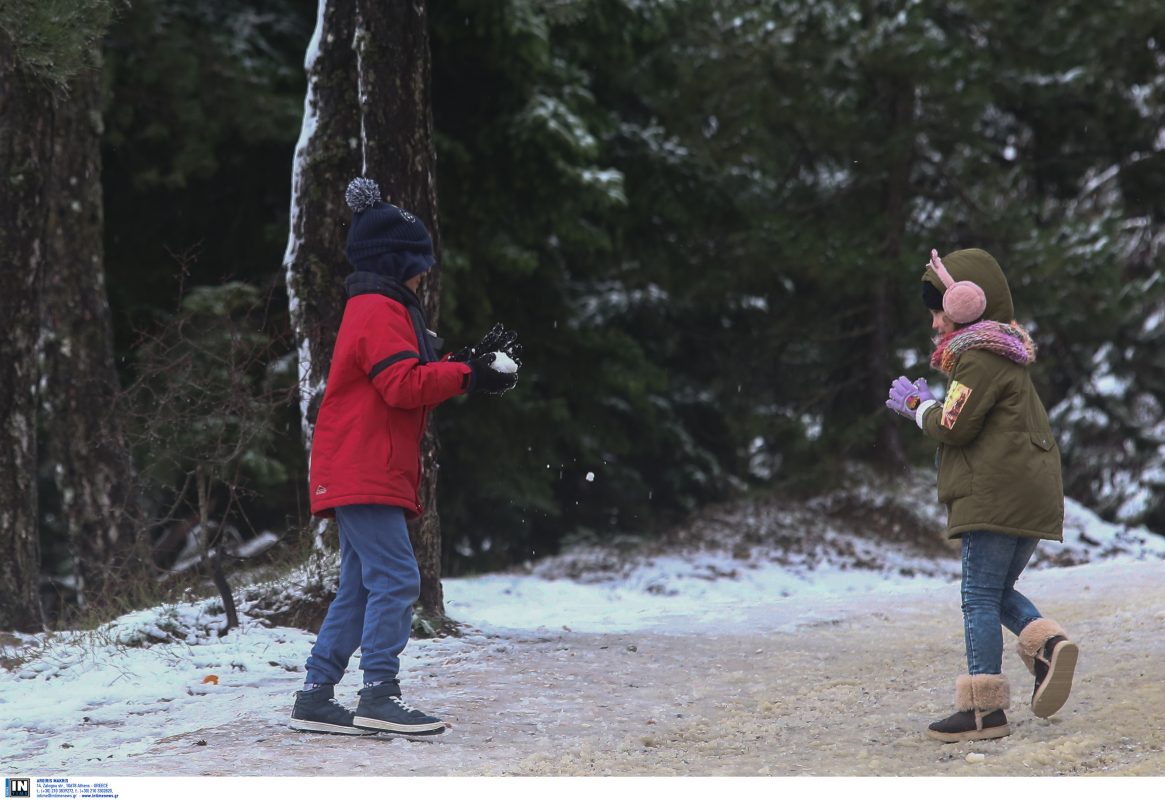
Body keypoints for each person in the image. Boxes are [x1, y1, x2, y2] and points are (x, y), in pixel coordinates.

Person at [289, 177, 520, 737]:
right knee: (396, 578)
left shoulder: (380, 307)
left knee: (363, 584)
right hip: (363, 467)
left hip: (362, 464)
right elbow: (400, 383)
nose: (423, 273)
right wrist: (470, 375)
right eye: (418, 263)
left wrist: (464, 362)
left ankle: (317, 694)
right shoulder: (378, 309)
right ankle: (379, 693)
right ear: (395, 262)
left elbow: (407, 373)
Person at [885, 248, 1079, 744]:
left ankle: (982, 711)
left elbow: (954, 424)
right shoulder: (1004, 355)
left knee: (976, 597)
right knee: (993, 593)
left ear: (965, 303)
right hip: (1027, 493)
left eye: (937, 310)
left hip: (995, 495)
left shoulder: (977, 357)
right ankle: (1047, 645)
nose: (933, 322)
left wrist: (918, 406)